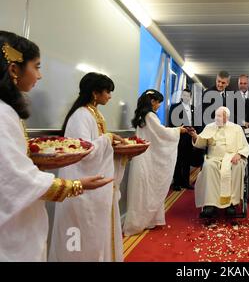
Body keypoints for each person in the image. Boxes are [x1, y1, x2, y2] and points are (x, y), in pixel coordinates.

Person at [0, 31, 112, 261]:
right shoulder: (3, 113)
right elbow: (14, 177)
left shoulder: (7, 111)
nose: (40, 76)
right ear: (13, 70)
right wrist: (75, 185)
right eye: (37, 66)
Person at [49, 72, 124, 262]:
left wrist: (109, 143)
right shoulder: (81, 115)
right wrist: (107, 139)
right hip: (81, 186)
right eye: (107, 91)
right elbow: (83, 151)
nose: (110, 96)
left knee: (94, 235)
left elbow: (93, 145)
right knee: (81, 237)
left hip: (93, 185)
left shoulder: (93, 113)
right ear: (94, 93)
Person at [123, 90, 188, 236]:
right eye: (158, 102)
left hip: (143, 156)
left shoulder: (141, 115)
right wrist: (179, 130)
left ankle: (148, 220)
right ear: (152, 101)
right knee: (147, 189)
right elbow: (162, 133)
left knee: (143, 190)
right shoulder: (150, 115)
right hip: (148, 158)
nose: (159, 105)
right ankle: (141, 221)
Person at [189, 107, 249, 218]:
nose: (217, 118)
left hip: (232, 158)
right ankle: (210, 204)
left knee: (237, 167)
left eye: (220, 116)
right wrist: (194, 136)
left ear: (227, 117)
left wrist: (239, 154)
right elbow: (200, 143)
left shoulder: (237, 128)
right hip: (214, 158)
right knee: (208, 166)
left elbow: (246, 147)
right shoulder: (209, 127)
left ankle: (231, 203)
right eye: (216, 116)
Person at [169, 88, 195, 191]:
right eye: (184, 95)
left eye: (188, 96)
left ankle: (185, 182)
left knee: (187, 160)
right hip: (179, 136)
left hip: (189, 136)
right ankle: (176, 182)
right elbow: (171, 122)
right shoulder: (174, 107)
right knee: (178, 160)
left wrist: (193, 131)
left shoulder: (193, 108)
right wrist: (182, 128)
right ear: (181, 96)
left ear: (190, 97)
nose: (186, 97)